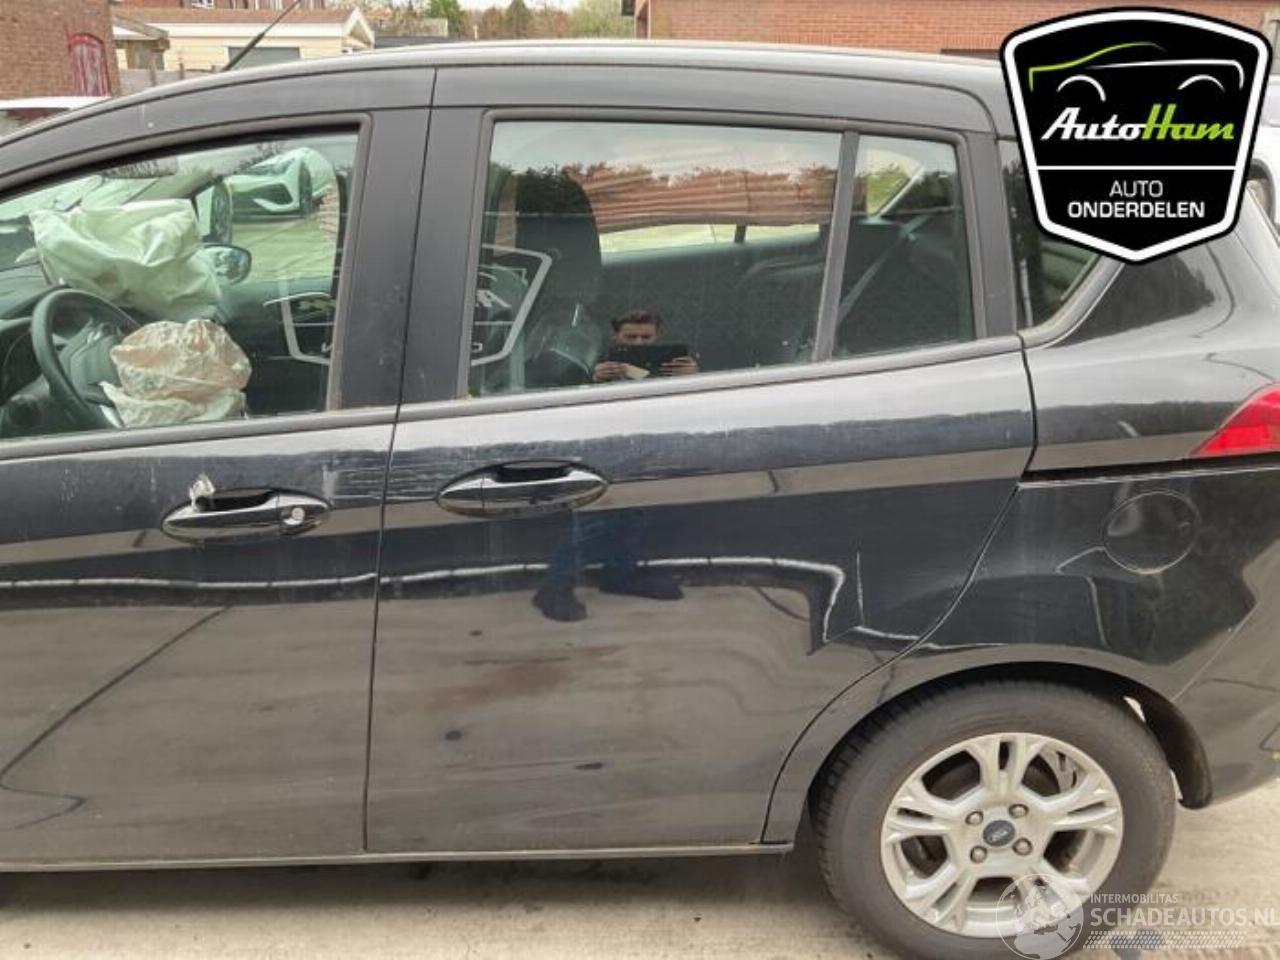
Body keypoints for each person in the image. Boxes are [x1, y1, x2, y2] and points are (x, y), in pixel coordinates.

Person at [591, 310, 699, 383]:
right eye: (631, 337)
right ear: (615, 336)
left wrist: (693, 376)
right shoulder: (600, 358)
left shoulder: (676, 359)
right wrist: (597, 378)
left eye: (646, 337)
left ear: (657, 336)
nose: (639, 342)